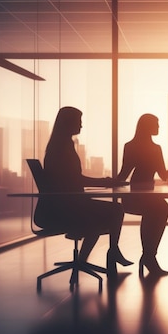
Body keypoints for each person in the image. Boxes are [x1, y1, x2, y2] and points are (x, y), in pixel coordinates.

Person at [34, 106, 133, 275]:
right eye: (79, 121)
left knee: (105, 213)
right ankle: (111, 251)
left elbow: (72, 179)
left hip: (64, 206)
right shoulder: (61, 148)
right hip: (65, 209)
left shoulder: (59, 145)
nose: (81, 125)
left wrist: (105, 183)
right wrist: (105, 182)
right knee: (116, 210)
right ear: (68, 123)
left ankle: (85, 259)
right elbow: (75, 179)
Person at [117, 114, 168, 277]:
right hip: (136, 197)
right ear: (147, 126)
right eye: (156, 123)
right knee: (160, 208)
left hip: (147, 195)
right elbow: (124, 174)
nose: (159, 127)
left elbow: (162, 174)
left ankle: (148, 256)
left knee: (159, 208)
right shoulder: (136, 147)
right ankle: (149, 256)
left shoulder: (147, 147)